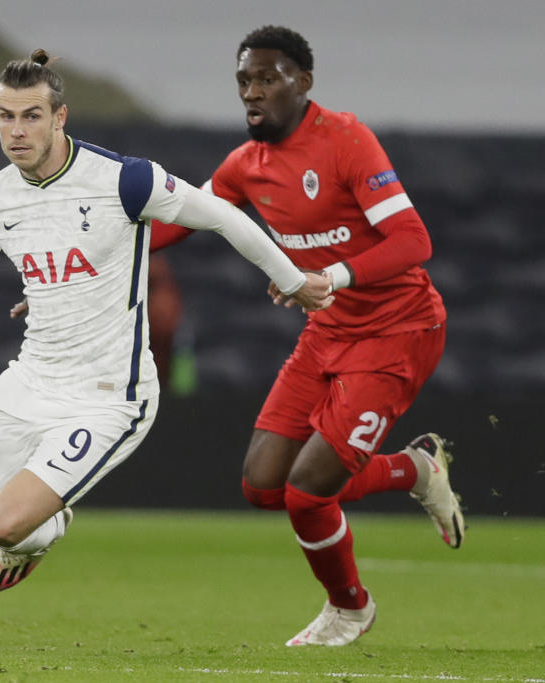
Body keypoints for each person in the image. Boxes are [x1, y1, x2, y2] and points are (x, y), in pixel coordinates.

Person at [0, 48, 332, 647]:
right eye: (6, 117)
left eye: (32, 116)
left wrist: (291, 276)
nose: (18, 131)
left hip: (107, 397)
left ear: (60, 117)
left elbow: (224, 216)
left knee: (5, 524)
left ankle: (43, 525)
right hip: (31, 379)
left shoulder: (125, 180)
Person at [149, 25, 462, 646]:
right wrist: (87, 270)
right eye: (245, 80)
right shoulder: (245, 165)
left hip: (397, 332)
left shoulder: (346, 141)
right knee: (263, 487)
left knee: (305, 494)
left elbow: (414, 242)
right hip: (326, 333)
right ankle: (414, 470)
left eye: (269, 78)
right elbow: (179, 223)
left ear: (304, 82)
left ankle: (350, 608)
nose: (254, 92)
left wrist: (331, 275)